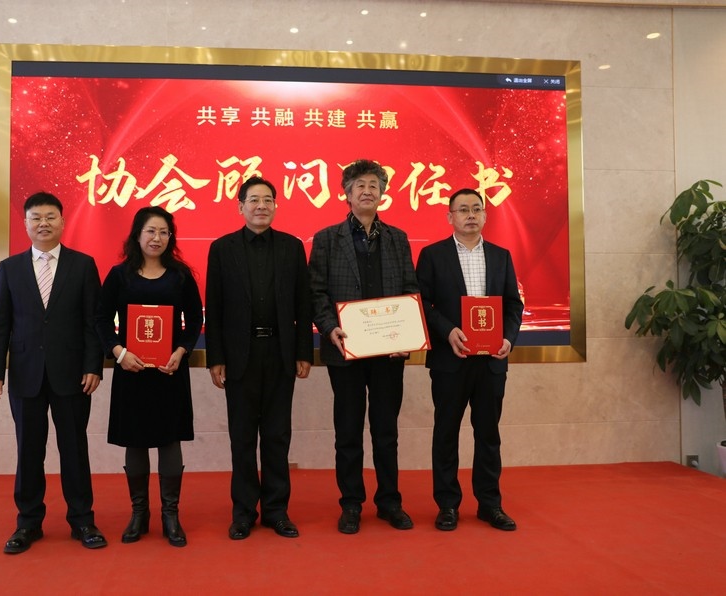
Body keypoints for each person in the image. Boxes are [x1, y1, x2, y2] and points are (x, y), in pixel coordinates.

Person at [0, 191, 107, 554]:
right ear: (25, 224)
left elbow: (93, 322)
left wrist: (93, 366)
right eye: (36, 217)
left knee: (74, 450)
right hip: (26, 375)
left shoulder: (82, 265)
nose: (43, 223)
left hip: (73, 375)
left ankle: (83, 520)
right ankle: (28, 523)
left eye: (50, 217)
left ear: (62, 222)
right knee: (29, 451)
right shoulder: (10, 269)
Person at [309, 159, 419, 534]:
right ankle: (351, 504)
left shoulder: (398, 238)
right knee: (348, 432)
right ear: (347, 193)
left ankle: (389, 502)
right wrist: (329, 328)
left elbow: (411, 289)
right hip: (346, 351)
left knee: (386, 431)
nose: (367, 191)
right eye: (360, 185)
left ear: (382, 193)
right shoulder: (327, 239)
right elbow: (316, 293)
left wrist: (407, 336)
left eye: (374, 185)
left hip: (389, 353)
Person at [205, 176, 313, 541]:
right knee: (242, 437)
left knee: (277, 435)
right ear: (241, 207)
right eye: (254, 200)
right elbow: (214, 308)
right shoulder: (222, 249)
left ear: (276, 206)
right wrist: (216, 358)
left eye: (268, 200)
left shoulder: (292, 247)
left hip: (281, 353)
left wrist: (303, 351)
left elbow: (303, 304)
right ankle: (243, 513)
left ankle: (276, 511)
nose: (261, 206)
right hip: (240, 354)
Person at [415, 188, 524, 532]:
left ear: (485, 216)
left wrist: (508, 338)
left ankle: (490, 504)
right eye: (463, 209)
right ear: (450, 217)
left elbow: (513, 305)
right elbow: (423, 303)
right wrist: (448, 331)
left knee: (488, 434)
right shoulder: (433, 255)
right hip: (450, 360)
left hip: (491, 361)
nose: (471, 215)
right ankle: (447, 505)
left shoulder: (501, 256)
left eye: (477, 209)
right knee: (446, 433)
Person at [96, 206, 202, 548]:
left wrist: (182, 351)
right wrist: (119, 353)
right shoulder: (119, 276)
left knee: (170, 439)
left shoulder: (180, 276)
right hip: (131, 371)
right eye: (151, 231)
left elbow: (194, 321)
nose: (157, 238)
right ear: (137, 235)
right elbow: (100, 320)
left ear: (171, 237)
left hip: (169, 371)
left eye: (164, 232)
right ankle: (139, 513)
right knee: (136, 440)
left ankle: (171, 514)